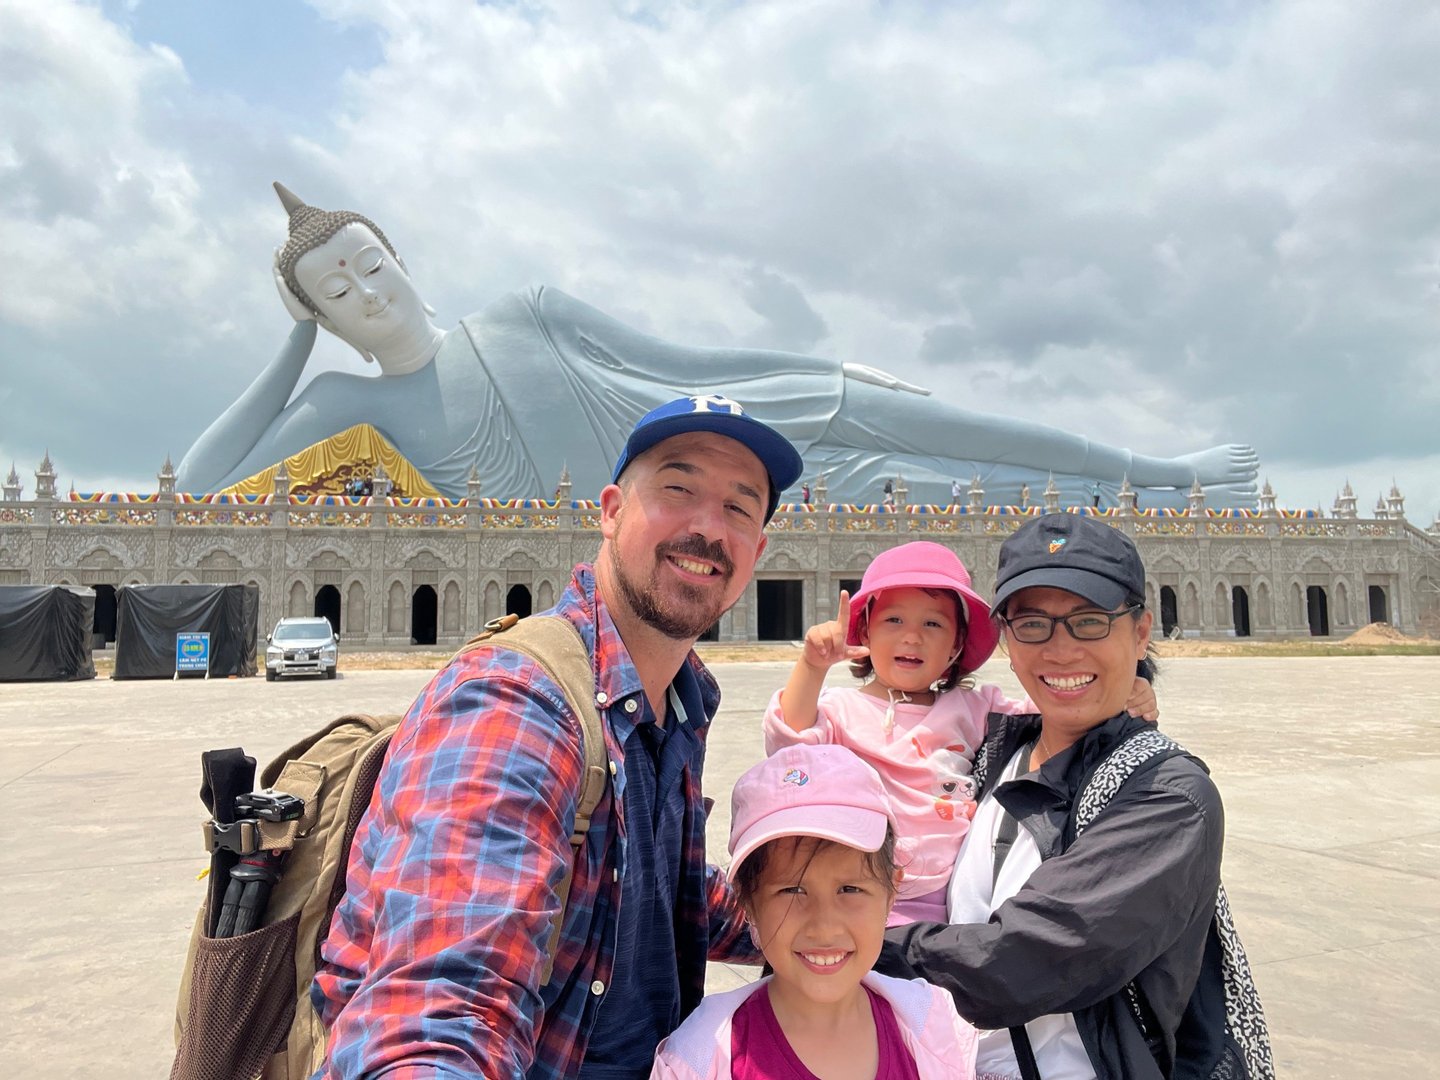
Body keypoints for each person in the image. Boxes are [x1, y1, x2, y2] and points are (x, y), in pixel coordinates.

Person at [175, 184, 1261, 509]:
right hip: (681, 505)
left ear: (400, 256)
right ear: (322, 314)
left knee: (936, 418)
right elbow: (197, 488)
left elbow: (682, 361)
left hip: (722, 417)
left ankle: (1165, 469)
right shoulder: (354, 412)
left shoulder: (526, 310)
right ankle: (1172, 506)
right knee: (942, 489)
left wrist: (828, 375)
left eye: (370, 263)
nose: (367, 293)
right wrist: (288, 346)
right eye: (335, 293)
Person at [311, 393, 804, 1078]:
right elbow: (441, 1007)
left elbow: (669, 891)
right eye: (678, 488)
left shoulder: (679, 700)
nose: (706, 527)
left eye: (738, 508)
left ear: (758, 548)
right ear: (609, 510)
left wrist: (839, 918)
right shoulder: (517, 705)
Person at [876, 514, 1265, 1079]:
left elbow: (1018, 963)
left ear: (1140, 631)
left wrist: (849, 940)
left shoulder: (1169, 798)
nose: (1060, 651)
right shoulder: (990, 754)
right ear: (1007, 640)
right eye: (1032, 624)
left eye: (1089, 622)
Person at [762, 542, 1157, 925]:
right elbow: (788, 743)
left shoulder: (971, 708)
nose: (912, 636)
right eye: (894, 620)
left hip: (941, 901)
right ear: (864, 634)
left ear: (955, 648)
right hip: (855, 888)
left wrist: (1125, 691)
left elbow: (1060, 704)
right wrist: (811, 667)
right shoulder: (839, 710)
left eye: (933, 624)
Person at [650, 744, 978, 1080]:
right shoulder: (700, 1060)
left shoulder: (937, 1032)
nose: (824, 926)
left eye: (850, 889)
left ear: (891, 891)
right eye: (792, 891)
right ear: (747, 902)